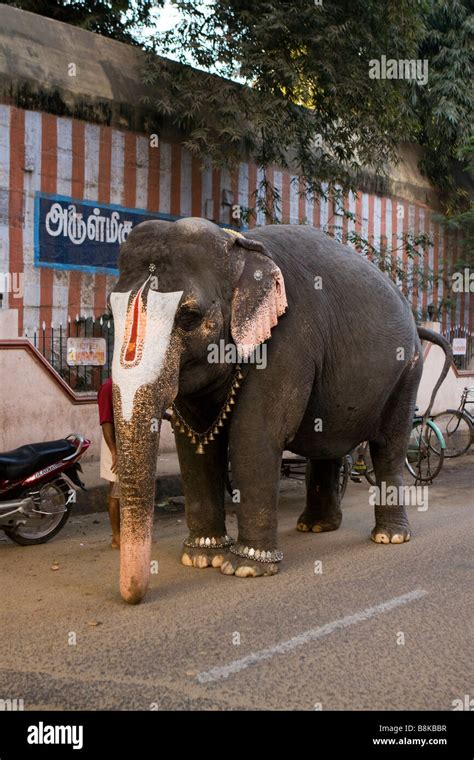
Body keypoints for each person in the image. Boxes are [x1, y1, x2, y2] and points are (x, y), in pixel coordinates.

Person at [97, 377, 120, 549]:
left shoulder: (128, 384)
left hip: (128, 443)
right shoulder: (108, 388)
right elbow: (106, 421)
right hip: (114, 444)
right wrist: (114, 451)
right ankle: (116, 537)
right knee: (116, 490)